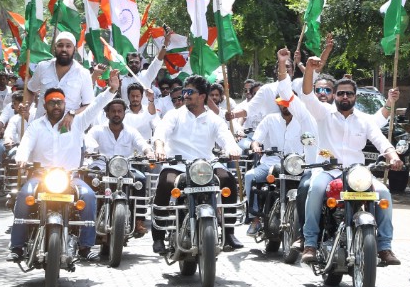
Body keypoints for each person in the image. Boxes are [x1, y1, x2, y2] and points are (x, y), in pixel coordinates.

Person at [299, 56, 405, 266]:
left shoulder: (364, 120)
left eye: (349, 93)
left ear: (355, 97)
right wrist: (309, 69)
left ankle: (384, 247)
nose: (345, 96)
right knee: (315, 189)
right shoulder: (323, 113)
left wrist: (392, 155)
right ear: (334, 97)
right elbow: (307, 94)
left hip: (357, 173)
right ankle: (310, 243)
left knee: (383, 193)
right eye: (340, 93)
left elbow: (380, 140)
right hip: (328, 170)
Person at [8, 71, 122, 262]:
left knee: (89, 196)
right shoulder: (36, 126)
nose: (56, 105)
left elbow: (95, 106)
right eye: (51, 102)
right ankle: (17, 246)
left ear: (65, 104)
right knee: (24, 194)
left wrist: (111, 90)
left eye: (59, 102)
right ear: (44, 105)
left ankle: (86, 246)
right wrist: (21, 158)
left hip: (70, 177)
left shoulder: (76, 122)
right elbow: (25, 144)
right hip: (40, 176)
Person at [152, 75, 244, 252]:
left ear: (202, 96)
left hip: (205, 166)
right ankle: (158, 238)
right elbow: (161, 133)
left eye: (189, 92)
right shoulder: (174, 115)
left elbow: (226, 138)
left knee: (228, 179)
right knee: (164, 183)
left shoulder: (214, 119)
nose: (184, 95)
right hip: (176, 164)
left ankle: (229, 233)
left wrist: (233, 150)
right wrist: (159, 148)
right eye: (184, 91)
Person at [245, 86, 317, 235]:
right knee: (250, 176)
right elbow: (256, 140)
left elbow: (312, 142)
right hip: (270, 164)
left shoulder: (305, 121)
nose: (286, 106)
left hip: (297, 165)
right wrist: (256, 146)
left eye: (289, 102)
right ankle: (255, 219)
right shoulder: (270, 119)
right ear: (278, 103)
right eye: (282, 102)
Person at [85, 96, 153, 236]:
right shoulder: (97, 130)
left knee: (140, 179)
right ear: (107, 113)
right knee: (89, 177)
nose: (116, 114)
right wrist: (91, 149)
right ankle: (89, 219)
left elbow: (142, 144)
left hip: (124, 167)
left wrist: (148, 152)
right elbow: (89, 140)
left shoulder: (131, 131)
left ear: (124, 113)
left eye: (120, 111)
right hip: (102, 166)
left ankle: (138, 220)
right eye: (113, 111)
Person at [25, 32, 95, 130]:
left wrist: (72, 114)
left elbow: (89, 105)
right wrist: (26, 104)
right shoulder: (42, 67)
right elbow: (30, 89)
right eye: (60, 45)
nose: (64, 49)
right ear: (55, 48)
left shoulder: (83, 73)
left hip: (67, 130)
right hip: (41, 128)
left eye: (68, 46)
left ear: (74, 49)